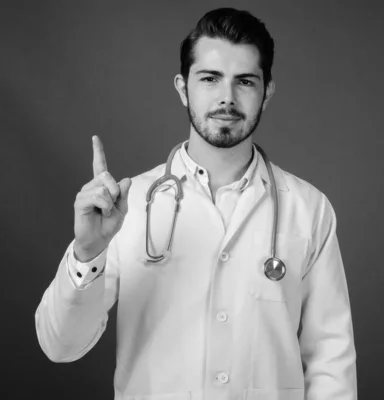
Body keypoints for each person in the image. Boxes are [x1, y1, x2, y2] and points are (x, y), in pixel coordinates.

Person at [35, 7, 357, 400]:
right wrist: (88, 251)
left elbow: (331, 361)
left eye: (245, 82)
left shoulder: (309, 209)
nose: (227, 98)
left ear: (266, 92)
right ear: (183, 87)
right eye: (210, 79)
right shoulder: (129, 203)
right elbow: (60, 346)